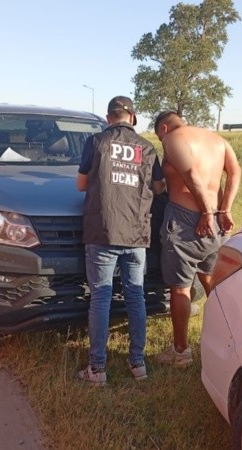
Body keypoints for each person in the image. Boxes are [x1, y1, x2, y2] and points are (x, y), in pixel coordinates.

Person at [76, 96, 166, 386]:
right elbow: (159, 187)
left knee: (101, 297)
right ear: (133, 117)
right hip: (136, 233)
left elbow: (80, 185)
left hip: (102, 231)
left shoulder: (95, 143)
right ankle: (138, 364)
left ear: (108, 117)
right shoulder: (147, 147)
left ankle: (97, 370)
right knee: (135, 296)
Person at [153, 111, 242, 366]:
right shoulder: (218, 140)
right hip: (215, 220)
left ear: (164, 127)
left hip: (186, 219)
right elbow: (235, 173)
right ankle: (230, 339)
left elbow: (191, 174)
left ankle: (180, 351)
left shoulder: (173, 138)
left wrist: (204, 210)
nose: (162, 143)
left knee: (181, 287)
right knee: (211, 281)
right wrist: (224, 209)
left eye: (160, 136)